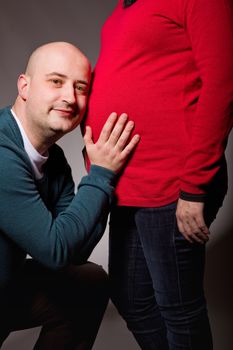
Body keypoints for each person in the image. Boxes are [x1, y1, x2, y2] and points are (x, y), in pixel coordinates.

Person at [82, 0, 233, 349]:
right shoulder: (122, 11)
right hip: (124, 185)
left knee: (179, 308)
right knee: (129, 295)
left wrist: (195, 187)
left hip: (172, 184)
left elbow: (222, 84)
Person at [0, 41, 140, 350]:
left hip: (5, 288)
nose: (70, 98)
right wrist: (101, 175)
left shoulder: (55, 159)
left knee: (88, 282)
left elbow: (74, 252)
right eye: (56, 81)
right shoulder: (1, 152)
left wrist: (100, 176)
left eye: (81, 88)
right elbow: (54, 250)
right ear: (24, 86)